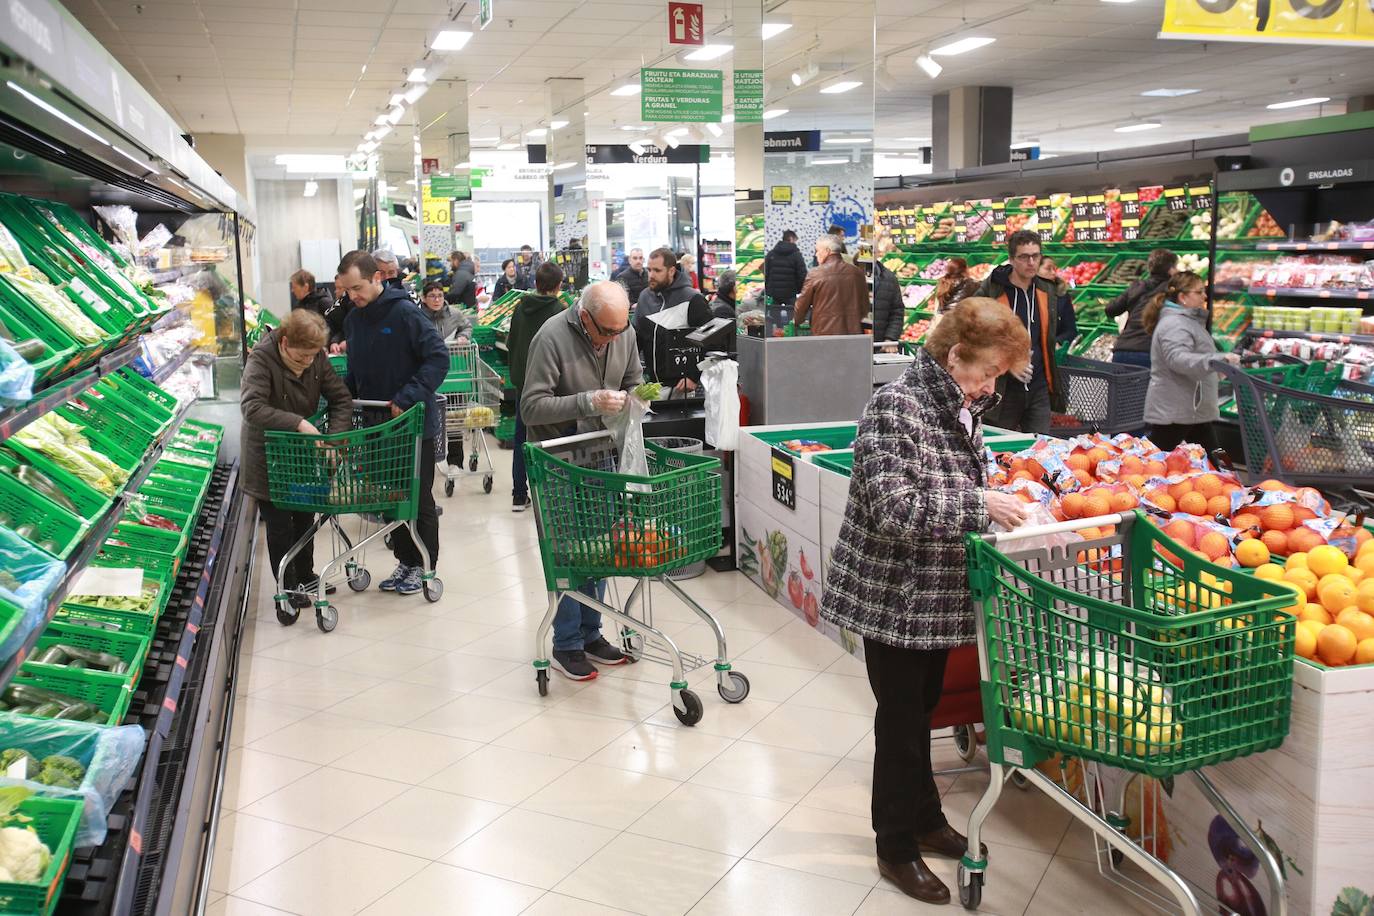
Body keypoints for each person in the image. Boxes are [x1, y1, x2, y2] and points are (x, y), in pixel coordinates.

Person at [820, 296, 1031, 905]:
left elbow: (964, 475)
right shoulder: (896, 406)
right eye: (986, 371)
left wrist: (996, 491)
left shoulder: (962, 405)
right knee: (902, 720)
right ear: (954, 355)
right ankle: (894, 845)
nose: (991, 385)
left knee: (924, 709)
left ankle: (925, 815)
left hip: (934, 592)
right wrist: (978, 506)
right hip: (894, 593)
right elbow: (892, 508)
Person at [521, 281, 642, 680]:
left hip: (602, 455)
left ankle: (592, 633)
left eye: (619, 330)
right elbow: (531, 408)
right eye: (605, 331)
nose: (612, 339)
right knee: (567, 553)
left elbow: (634, 381)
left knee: (599, 549)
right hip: (557, 459)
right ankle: (567, 643)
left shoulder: (623, 332)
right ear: (584, 316)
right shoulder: (551, 337)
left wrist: (636, 400)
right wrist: (588, 401)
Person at [337, 249, 449, 595]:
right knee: (389, 497)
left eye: (356, 288)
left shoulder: (405, 314)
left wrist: (406, 397)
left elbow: (438, 358)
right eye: (346, 290)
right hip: (375, 425)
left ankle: (425, 566)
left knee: (417, 498)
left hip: (412, 424)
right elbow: (356, 371)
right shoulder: (353, 321)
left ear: (377, 278)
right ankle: (405, 561)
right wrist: (342, 395)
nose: (351, 296)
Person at [239, 309, 353, 610]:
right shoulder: (262, 359)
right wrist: (298, 423)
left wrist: (334, 441)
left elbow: (341, 398)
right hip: (269, 456)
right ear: (285, 342)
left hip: (305, 457)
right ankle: (286, 586)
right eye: (301, 357)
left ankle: (305, 573)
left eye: (312, 356)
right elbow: (252, 407)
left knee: (305, 518)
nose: (307, 363)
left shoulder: (316, 357)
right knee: (279, 526)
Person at [975, 230, 1066, 434]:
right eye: (1024, 257)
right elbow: (974, 333)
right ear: (1011, 259)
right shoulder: (994, 291)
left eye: (1036, 256)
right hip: (1002, 388)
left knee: (1040, 448)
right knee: (1001, 450)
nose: (1031, 262)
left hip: (1039, 385)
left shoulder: (1046, 291)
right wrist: (1008, 364)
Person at [1143, 271, 1239, 453]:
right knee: (1155, 459)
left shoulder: (1186, 322)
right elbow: (1177, 359)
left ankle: (1219, 478)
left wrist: (1218, 364)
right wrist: (1216, 360)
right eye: (1199, 291)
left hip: (1190, 407)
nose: (1205, 296)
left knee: (1212, 458)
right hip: (1176, 408)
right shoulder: (1175, 324)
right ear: (1183, 297)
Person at [506, 262, 567, 512]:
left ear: (536, 283)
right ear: (559, 285)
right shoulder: (559, 310)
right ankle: (552, 494)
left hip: (523, 382)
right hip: (551, 385)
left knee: (522, 437)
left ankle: (519, 494)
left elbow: (512, 342)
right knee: (553, 440)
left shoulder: (520, 307)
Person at [634, 247, 712, 382]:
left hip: (684, 389)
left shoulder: (693, 299)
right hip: (652, 386)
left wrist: (694, 376)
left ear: (671, 271)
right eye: (649, 270)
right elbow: (636, 340)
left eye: (657, 270)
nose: (651, 275)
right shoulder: (644, 297)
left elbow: (711, 343)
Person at [420, 280, 472, 472]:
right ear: (423, 298)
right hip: (431, 376)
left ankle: (455, 462)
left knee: (455, 419)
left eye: (440, 295)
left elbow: (466, 327)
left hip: (455, 372)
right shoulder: (418, 317)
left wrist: (464, 337)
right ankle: (431, 460)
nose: (437, 299)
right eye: (432, 296)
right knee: (434, 421)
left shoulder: (455, 314)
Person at [1107, 247, 1178, 369]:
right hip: (1149, 352)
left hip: (1122, 350)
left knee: (1122, 388)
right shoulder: (1172, 291)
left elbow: (1110, 310)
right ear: (1171, 270)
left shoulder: (1137, 286)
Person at [794, 235, 869, 336]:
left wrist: (797, 320)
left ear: (827, 251)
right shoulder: (857, 273)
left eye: (817, 250)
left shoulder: (815, 274)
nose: (816, 254)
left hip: (823, 332)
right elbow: (865, 307)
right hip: (852, 332)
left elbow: (801, 305)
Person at [763, 230, 809, 327]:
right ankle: (790, 337)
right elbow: (802, 274)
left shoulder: (771, 254)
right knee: (792, 319)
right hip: (790, 292)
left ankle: (775, 336)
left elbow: (766, 273)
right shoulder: (796, 255)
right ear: (791, 239)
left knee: (774, 320)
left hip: (774, 293)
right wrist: (799, 289)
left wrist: (768, 289)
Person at [1037, 257, 1079, 348]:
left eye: (1054, 269)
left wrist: (1057, 341)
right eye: (1048, 269)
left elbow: (1071, 330)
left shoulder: (1062, 296)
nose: (1053, 273)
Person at [870, 258, 904, 345]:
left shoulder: (889, 278)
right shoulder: (850, 276)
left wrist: (890, 338)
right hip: (853, 343)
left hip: (879, 345)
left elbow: (897, 311)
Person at [325, 281, 353, 354]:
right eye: (336, 287)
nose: (335, 291)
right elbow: (331, 325)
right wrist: (333, 342)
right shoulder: (340, 303)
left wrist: (350, 342)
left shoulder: (324, 301)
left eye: (339, 288)